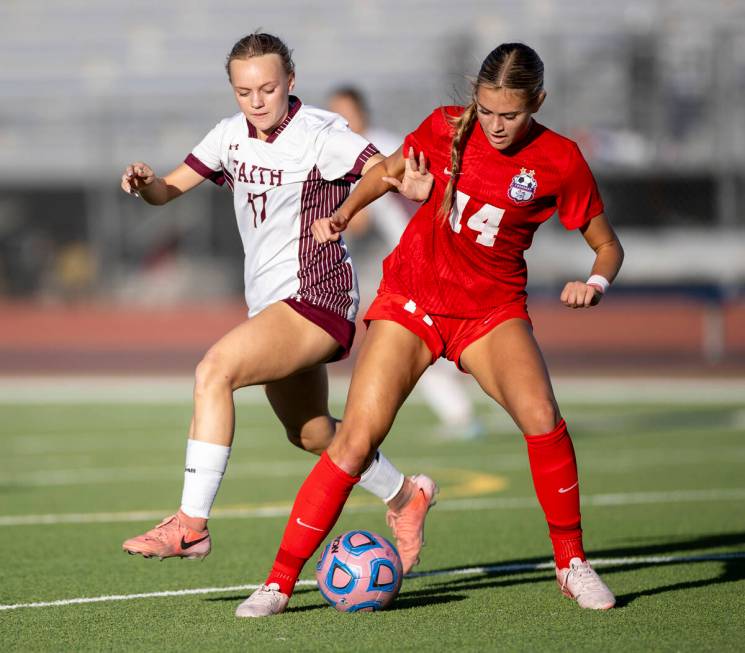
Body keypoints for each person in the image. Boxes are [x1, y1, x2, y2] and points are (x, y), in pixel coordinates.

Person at [236, 42, 624, 617]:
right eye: (486, 110)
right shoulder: (446, 128)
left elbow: (606, 244)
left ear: (537, 102)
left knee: (542, 416)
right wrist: (343, 215)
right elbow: (387, 171)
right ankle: (278, 582)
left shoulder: (561, 159)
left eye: (510, 115)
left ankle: (571, 565)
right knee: (355, 440)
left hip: (490, 312)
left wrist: (595, 282)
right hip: (411, 299)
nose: (493, 126)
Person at [118, 32, 436, 577]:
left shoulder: (319, 133)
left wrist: (404, 178)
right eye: (245, 92)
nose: (258, 101)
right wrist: (145, 184)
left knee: (213, 370)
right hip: (271, 305)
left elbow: (380, 167)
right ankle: (406, 494)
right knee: (312, 433)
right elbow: (169, 189)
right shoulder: (227, 136)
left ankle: (190, 526)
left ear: (291, 82)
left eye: (268, 88)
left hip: (318, 295)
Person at [327, 86, 484, 439]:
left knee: (410, 332)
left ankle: (463, 401)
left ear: (361, 112)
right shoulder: (373, 145)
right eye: (334, 113)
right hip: (421, 253)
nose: (340, 121)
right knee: (421, 332)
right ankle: (461, 404)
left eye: (345, 112)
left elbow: (363, 217)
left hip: (430, 250)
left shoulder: (372, 149)